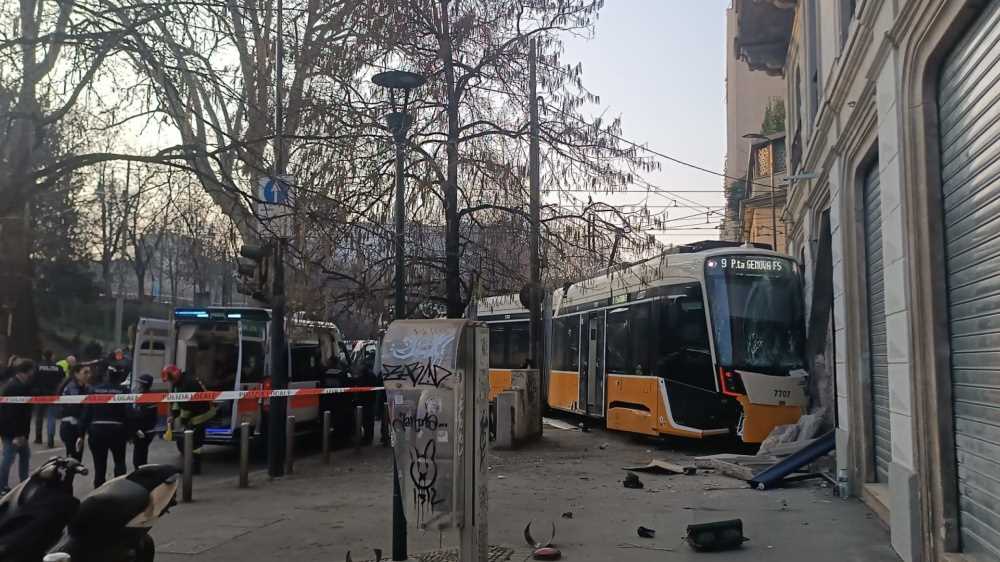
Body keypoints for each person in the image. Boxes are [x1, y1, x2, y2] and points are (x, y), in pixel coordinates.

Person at [162, 365, 215, 473]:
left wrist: (183, 421)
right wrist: (172, 416)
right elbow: (176, 402)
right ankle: (191, 466)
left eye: (170, 379)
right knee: (190, 441)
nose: (170, 382)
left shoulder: (188, 384)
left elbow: (187, 407)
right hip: (194, 414)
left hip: (201, 414)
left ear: (175, 375)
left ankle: (195, 468)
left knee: (196, 443)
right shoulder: (178, 383)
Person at [81, 366, 128, 488]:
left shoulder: (94, 390)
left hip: (96, 431)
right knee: (119, 462)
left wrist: (82, 432)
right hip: (117, 431)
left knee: (99, 465)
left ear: (107, 375)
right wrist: (130, 432)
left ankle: (99, 492)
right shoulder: (124, 391)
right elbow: (129, 413)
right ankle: (119, 489)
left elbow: (87, 413)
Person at [0, 360, 36, 493]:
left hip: (15, 430)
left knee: (24, 455)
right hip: (13, 431)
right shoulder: (16, 387)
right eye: (32, 370)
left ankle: (23, 484)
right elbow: (13, 413)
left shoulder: (15, 384)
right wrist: (18, 434)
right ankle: (2, 486)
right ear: (28, 371)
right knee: (9, 458)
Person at [57, 363, 91, 461]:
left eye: (89, 372)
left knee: (77, 459)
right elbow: (75, 407)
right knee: (72, 460)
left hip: (79, 427)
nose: (88, 375)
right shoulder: (71, 387)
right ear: (76, 374)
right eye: (85, 372)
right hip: (70, 426)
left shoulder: (86, 387)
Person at [128, 374, 158, 470]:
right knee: (141, 456)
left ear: (143, 385)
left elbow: (142, 416)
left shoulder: (146, 398)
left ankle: (141, 477)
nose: (137, 386)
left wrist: (136, 430)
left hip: (143, 431)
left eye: (139, 384)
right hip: (146, 431)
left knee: (138, 459)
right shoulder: (145, 396)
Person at [33, 350, 62, 447]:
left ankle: (38, 438)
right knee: (51, 417)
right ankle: (50, 439)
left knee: (39, 417)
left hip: (40, 395)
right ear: (52, 356)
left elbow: (34, 379)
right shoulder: (58, 367)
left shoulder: (37, 367)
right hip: (53, 395)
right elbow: (61, 380)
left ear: (43, 356)